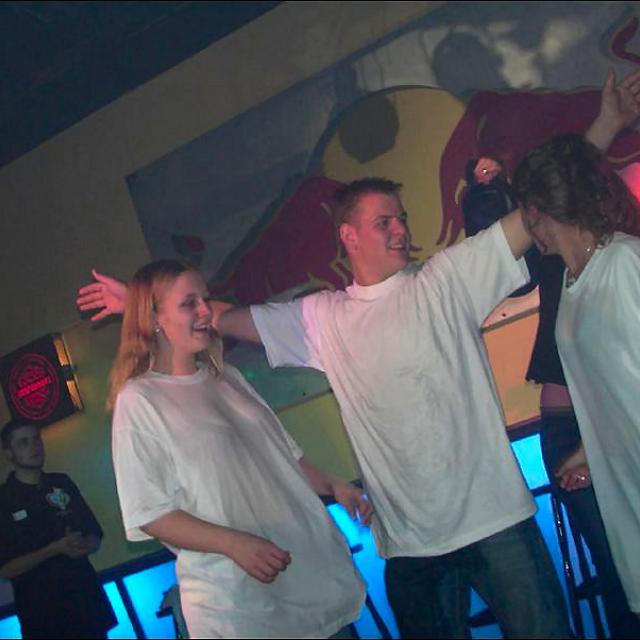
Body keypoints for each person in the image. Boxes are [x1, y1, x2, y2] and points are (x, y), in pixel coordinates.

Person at [77, 69, 640, 638]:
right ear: (348, 236)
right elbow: (221, 316)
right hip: (411, 550)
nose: (400, 229)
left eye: (402, 218)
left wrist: (606, 123)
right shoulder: (323, 317)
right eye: (383, 221)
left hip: (498, 525)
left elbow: (538, 206)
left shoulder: (447, 279)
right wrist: (138, 301)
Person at [108, 259, 370, 639]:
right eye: (189, 303)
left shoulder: (227, 377)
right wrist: (233, 543)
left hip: (311, 576)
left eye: (205, 299)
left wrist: (334, 485)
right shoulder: (140, 399)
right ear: (154, 319)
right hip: (241, 603)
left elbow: (284, 457)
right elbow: (150, 512)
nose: (205, 311)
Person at [513, 132, 640, 620]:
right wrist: (590, 452)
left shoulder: (622, 263)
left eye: (526, 215)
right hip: (624, 474)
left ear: (538, 211)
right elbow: (607, 389)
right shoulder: (570, 282)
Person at [0, 420, 116, 639]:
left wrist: (83, 544)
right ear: (9, 453)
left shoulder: (61, 482)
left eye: (36, 439)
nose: (34, 446)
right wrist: (54, 549)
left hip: (85, 601)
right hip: (44, 615)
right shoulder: (4, 500)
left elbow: (94, 533)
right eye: (23, 442)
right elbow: (6, 569)